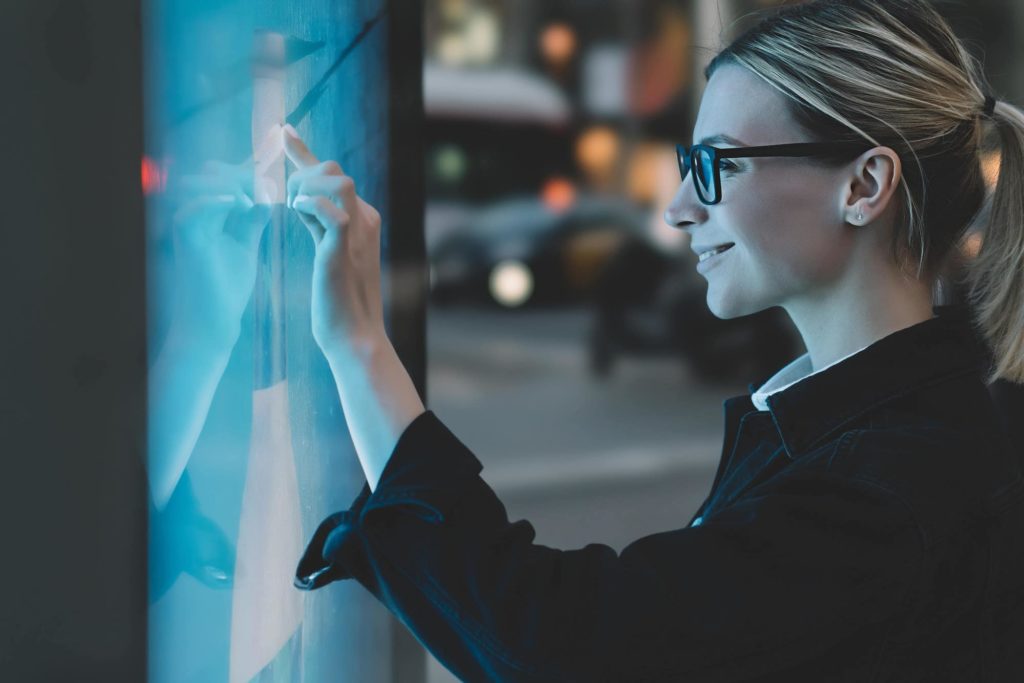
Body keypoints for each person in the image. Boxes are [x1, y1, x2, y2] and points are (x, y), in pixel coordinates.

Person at [287, 0, 1024, 680]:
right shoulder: (916, 421)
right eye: (685, 165)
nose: (677, 209)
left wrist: (358, 343)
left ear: (864, 187)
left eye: (717, 165)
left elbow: (561, 644)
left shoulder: (891, 486)